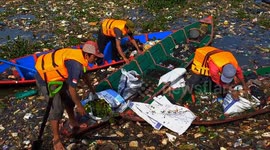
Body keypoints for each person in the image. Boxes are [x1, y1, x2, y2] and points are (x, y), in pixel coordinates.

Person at [34, 41, 103, 150]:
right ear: (87, 55)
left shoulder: (81, 58)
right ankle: (56, 139)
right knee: (56, 109)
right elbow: (72, 89)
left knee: (69, 101)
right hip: (46, 78)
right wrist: (79, 106)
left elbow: (84, 75)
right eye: (95, 57)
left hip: (59, 76)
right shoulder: (76, 65)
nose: (96, 59)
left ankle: (73, 122)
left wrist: (92, 90)